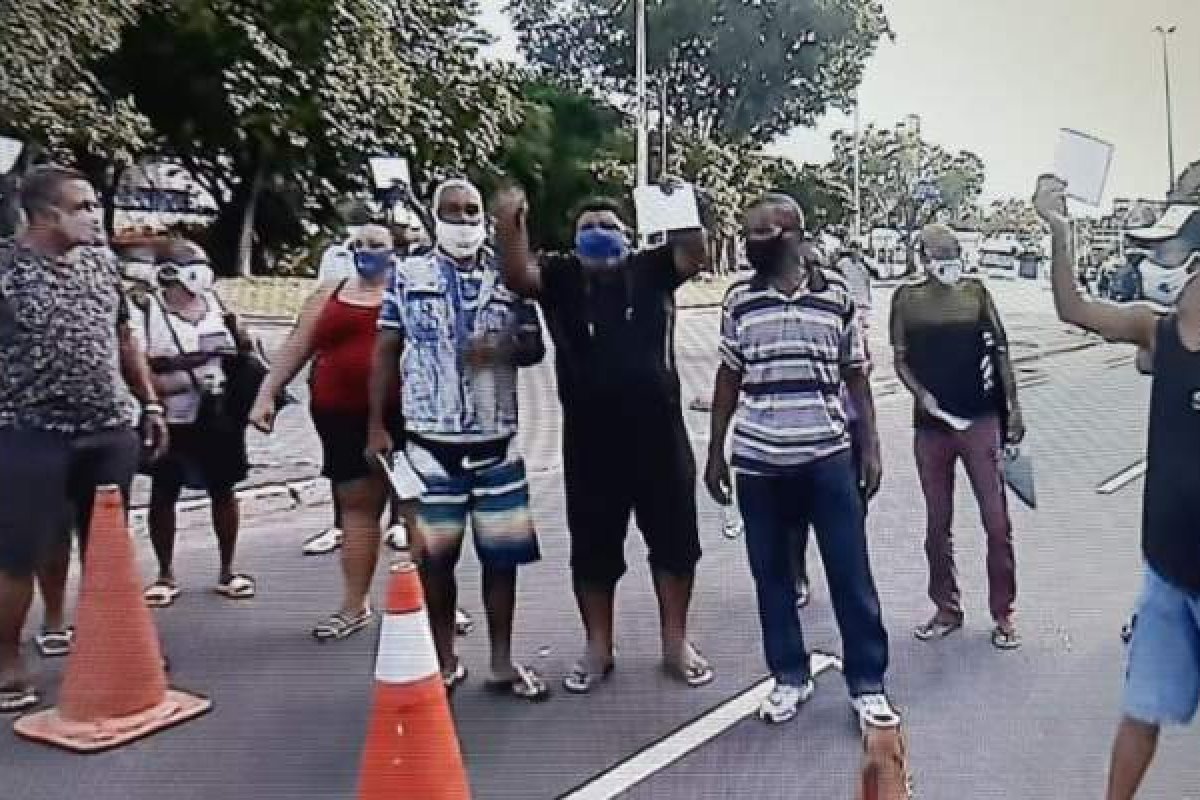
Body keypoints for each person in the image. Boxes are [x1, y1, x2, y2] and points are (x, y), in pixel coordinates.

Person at [493, 183, 715, 694]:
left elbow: (693, 254)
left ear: (630, 236)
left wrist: (677, 205)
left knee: (676, 543)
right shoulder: (560, 276)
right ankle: (598, 647)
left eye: (608, 226)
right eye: (587, 227)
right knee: (593, 548)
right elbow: (516, 273)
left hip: (661, 436)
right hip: (590, 440)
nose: (597, 234)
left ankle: (675, 641)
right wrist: (510, 222)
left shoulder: (652, 269)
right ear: (573, 240)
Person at [1033, 176, 1200, 800]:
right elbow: (1073, 308)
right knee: (1141, 713)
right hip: (1167, 574)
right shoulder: (1154, 332)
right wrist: (1059, 230)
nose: (1149, 266)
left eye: (1162, 253)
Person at [704, 192, 896, 728]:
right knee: (773, 579)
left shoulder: (836, 297)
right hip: (759, 463)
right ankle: (789, 676)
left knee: (850, 573)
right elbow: (728, 376)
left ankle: (868, 683)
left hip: (827, 458)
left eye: (759, 232)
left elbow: (856, 376)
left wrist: (873, 449)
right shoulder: (739, 299)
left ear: (791, 232)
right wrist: (715, 451)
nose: (749, 243)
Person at [368, 179, 546, 698]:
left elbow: (534, 347)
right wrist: (376, 424)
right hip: (429, 446)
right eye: (453, 211)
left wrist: (505, 346)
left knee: (502, 561)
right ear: (434, 216)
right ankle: (443, 658)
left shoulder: (507, 277)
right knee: (436, 562)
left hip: (498, 444)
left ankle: (502, 661)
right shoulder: (407, 274)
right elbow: (385, 349)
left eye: (472, 211)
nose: (464, 221)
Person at [0, 166, 168, 712]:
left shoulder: (100, 264)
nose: (96, 215)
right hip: (28, 430)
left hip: (108, 427)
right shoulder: (6, 268)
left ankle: (120, 650)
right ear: (46, 214)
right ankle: (7, 662)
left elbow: (124, 337)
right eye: (85, 206)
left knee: (108, 549)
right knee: (19, 551)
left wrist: (148, 402)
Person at [251, 224, 411, 640]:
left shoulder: (409, 290)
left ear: (395, 250)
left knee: (416, 510)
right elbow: (297, 344)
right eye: (357, 245)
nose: (365, 251)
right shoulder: (330, 292)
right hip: (338, 417)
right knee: (356, 505)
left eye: (376, 244)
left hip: (400, 415)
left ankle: (432, 607)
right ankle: (355, 605)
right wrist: (267, 394)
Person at [890, 223, 1025, 650]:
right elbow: (899, 359)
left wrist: (1013, 408)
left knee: (997, 522)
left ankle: (1004, 613)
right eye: (938, 251)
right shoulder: (906, 299)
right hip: (932, 427)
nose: (947, 258)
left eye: (952, 250)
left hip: (981, 417)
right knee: (937, 525)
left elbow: (1000, 349)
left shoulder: (976, 293)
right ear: (922, 257)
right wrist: (921, 394)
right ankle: (946, 607)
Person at [135, 240, 255, 607]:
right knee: (164, 492)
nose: (200, 271)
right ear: (168, 271)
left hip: (216, 413)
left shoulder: (217, 305)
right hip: (171, 415)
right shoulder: (148, 310)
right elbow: (137, 364)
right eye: (191, 264)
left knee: (224, 489)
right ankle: (166, 573)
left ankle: (228, 570)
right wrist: (162, 390)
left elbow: (243, 350)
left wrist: (241, 339)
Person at [791, 239, 875, 609]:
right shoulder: (783, 315)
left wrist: (872, 445)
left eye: (815, 266)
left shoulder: (841, 312)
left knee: (850, 512)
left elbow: (861, 375)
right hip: (798, 432)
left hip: (844, 429)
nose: (809, 273)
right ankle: (796, 576)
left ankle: (850, 587)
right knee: (794, 517)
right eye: (802, 265)